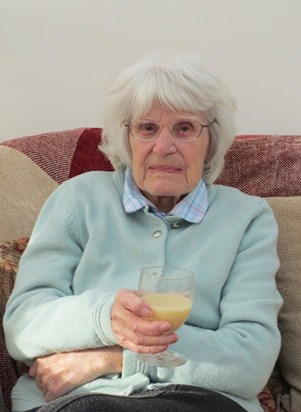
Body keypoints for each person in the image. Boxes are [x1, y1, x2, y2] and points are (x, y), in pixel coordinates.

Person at [4, 53, 282, 412]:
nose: (164, 147)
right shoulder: (77, 200)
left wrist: (118, 356)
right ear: (127, 137)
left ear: (210, 140)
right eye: (147, 128)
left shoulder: (247, 218)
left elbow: (250, 360)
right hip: (78, 399)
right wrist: (105, 317)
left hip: (199, 400)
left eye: (184, 128)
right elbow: (24, 327)